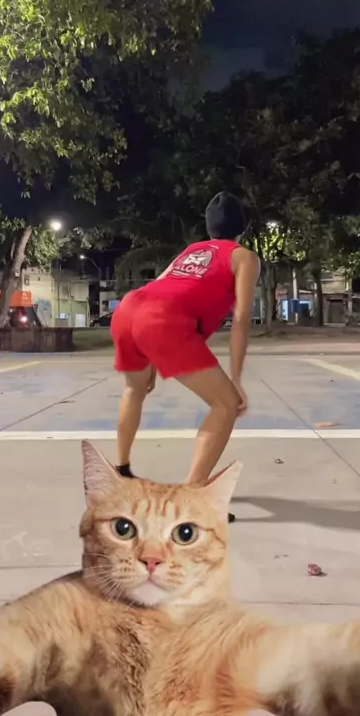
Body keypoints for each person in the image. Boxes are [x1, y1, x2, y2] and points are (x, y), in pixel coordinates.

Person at [110, 191, 260, 520]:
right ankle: (192, 497)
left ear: (209, 227)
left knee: (135, 388)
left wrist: (149, 351)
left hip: (129, 308)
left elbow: (161, 285)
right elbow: (241, 319)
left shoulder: (192, 251)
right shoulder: (243, 257)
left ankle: (121, 470)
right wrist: (236, 380)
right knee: (227, 404)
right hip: (162, 320)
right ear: (242, 227)